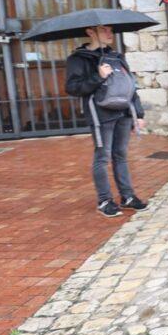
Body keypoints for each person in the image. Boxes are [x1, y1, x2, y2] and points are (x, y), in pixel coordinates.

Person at [65, 24, 148, 217]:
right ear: (90, 32)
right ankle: (104, 200)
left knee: (120, 155)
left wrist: (139, 114)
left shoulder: (117, 57)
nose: (110, 34)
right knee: (102, 157)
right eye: (105, 30)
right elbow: (73, 88)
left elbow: (131, 86)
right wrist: (98, 76)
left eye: (111, 30)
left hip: (124, 113)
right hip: (100, 116)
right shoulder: (78, 59)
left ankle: (127, 196)